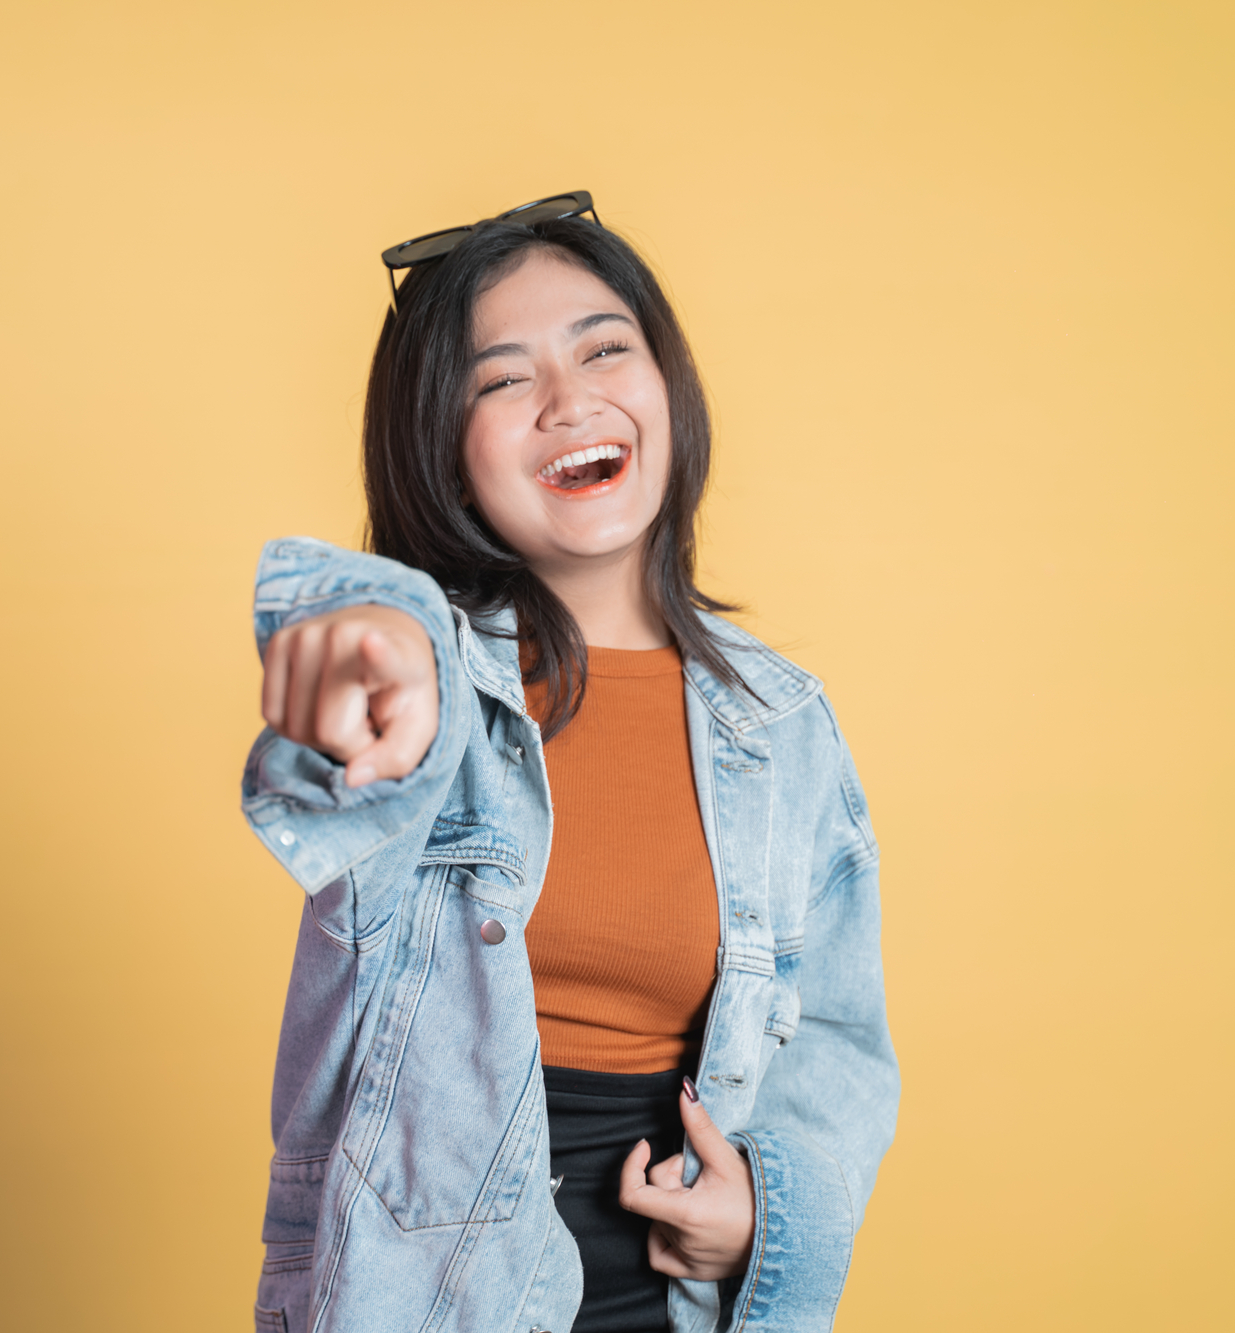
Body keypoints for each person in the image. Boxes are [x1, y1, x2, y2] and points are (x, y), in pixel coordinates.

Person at [243, 192, 897, 1333]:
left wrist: (762, 1213)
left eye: (604, 350)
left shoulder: (780, 723)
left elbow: (835, 1042)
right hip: (424, 1295)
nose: (567, 400)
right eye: (500, 381)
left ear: (665, 390)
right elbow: (350, 692)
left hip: (678, 1300)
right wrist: (364, 646)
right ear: (442, 456)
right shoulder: (433, 677)